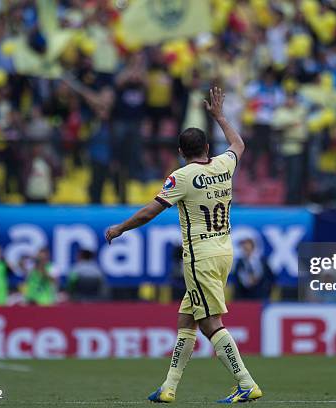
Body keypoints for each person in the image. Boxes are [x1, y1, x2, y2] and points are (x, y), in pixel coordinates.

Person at [106, 87, 262, 403]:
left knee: (209, 324)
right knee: (186, 320)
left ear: (181, 151)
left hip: (200, 255)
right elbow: (238, 144)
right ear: (206, 147)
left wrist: (121, 228)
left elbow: (151, 210)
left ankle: (245, 382)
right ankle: (169, 387)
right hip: (224, 251)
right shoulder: (223, 165)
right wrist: (219, 115)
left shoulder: (181, 177)